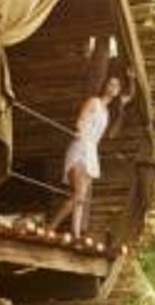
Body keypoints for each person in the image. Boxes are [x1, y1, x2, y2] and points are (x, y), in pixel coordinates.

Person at [49, 73, 135, 238]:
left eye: (116, 86)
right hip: (80, 146)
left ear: (118, 91)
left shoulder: (108, 112)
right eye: (110, 84)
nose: (113, 87)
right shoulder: (94, 101)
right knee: (79, 194)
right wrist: (79, 129)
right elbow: (81, 119)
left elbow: (129, 96)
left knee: (80, 199)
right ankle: (51, 227)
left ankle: (75, 234)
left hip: (91, 152)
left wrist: (131, 79)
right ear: (105, 86)